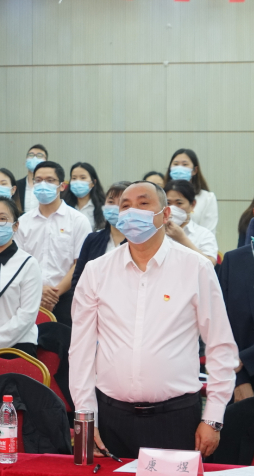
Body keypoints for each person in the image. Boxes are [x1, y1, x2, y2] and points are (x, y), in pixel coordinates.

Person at [70, 181, 237, 459]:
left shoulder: (196, 267)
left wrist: (213, 418)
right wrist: (85, 417)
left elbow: (220, 346)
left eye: (144, 203)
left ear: (166, 214)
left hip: (176, 417)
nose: (132, 211)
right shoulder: (96, 271)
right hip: (111, 418)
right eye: (125, 206)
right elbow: (81, 351)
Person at [14, 161, 92, 327]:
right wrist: (38, 290)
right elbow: (18, 263)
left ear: (62, 186)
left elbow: (80, 263)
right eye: (38, 180)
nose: (43, 185)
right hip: (28, 296)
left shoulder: (78, 220)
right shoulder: (22, 222)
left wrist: (54, 294)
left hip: (66, 297)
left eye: (50, 180)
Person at [0, 197, 43, 355]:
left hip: (17, 346)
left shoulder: (28, 264)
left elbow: (27, 315)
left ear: (16, 225)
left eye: (2, 219)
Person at [72, 181, 131, 290]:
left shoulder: (139, 242)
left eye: (122, 203)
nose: (115, 207)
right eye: (111, 202)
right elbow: (79, 278)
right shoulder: (92, 239)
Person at [218, 241, 254, 403]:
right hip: (240, 382)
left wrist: (245, 359)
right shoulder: (233, 260)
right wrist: (239, 381)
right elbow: (219, 326)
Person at [163, 179, 218, 266]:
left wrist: (182, 239)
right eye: (168, 203)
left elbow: (210, 264)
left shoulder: (204, 234)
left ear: (192, 205)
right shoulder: (155, 231)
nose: (172, 208)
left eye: (179, 203)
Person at [166, 149, 218, 235]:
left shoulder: (207, 197)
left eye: (185, 164)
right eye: (176, 164)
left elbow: (209, 230)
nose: (179, 168)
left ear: (195, 170)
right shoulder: (161, 195)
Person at [63, 162, 106, 231]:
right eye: (74, 178)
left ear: (93, 182)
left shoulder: (103, 208)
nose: (78, 182)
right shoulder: (64, 206)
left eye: (83, 178)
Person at [14, 144, 48, 215]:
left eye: (39, 155)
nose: (34, 158)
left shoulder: (49, 186)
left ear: (46, 161)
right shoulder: (16, 185)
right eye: (31, 155)